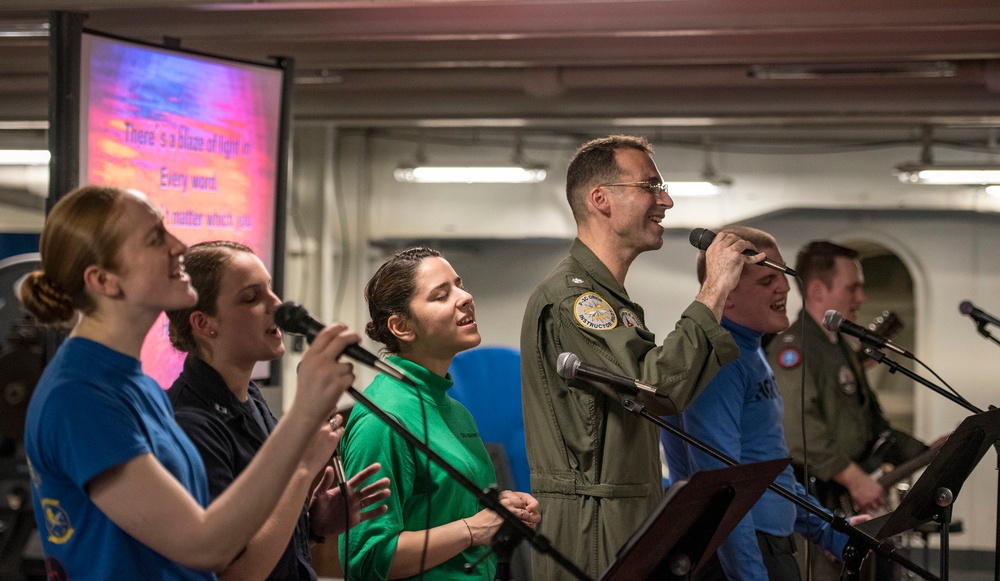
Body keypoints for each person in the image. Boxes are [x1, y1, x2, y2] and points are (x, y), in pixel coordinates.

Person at [20, 185, 358, 580]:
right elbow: (206, 545)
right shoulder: (79, 396)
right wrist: (304, 416)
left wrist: (308, 521)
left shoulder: (134, 383)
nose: (178, 245)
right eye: (154, 239)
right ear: (104, 281)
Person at [519, 134, 761, 579]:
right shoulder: (575, 301)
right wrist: (714, 289)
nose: (665, 200)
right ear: (601, 200)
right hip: (592, 526)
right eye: (650, 186)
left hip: (626, 513)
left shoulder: (608, 299)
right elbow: (658, 388)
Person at [165, 240, 392, 580]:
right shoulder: (189, 425)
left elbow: (267, 535)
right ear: (204, 323)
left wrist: (312, 526)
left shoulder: (251, 399)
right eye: (251, 298)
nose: (276, 305)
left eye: (270, 290)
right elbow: (236, 575)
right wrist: (302, 469)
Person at [661, 225, 852, 581]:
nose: (784, 287)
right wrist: (750, 576)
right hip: (737, 556)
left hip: (769, 545)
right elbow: (721, 490)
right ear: (727, 294)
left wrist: (830, 529)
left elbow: (770, 468)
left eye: (783, 275)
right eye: (767, 282)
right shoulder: (718, 363)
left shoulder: (749, 351)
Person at [339, 246, 541, 580]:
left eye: (459, 285)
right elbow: (366, 560)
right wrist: (473, 528)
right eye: (441, 295)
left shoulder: (455, 410)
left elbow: (445, 510)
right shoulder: (382, 418)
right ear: (402, 326)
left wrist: (498, 508)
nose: (465, 297)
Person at [765, 240, 935, 580]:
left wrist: (930, 452)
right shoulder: (794, 349)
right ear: (817, 290)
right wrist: (854, 479)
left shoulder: (841, 345)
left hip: (847, 499)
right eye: (853, 288)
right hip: (818, 501)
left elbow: (868, 422)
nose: (862, 299)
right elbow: (797, 427)